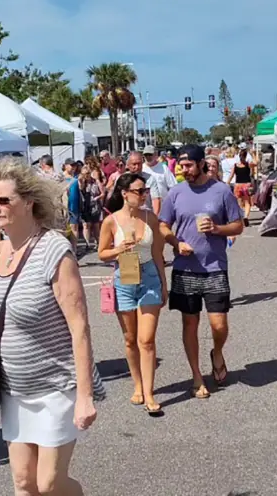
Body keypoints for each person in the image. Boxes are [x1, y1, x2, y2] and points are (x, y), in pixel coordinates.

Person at [0, 158, 104, 496]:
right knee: (23, 482)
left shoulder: (54, 250)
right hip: (13, 387)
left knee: (49, 484)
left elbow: (80, 327)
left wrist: (85, 396)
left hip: (55, 386)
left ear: (29, 202)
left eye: (4, 200)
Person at [158, 145, 244, 399]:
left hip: (215, 266)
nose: (184, 171)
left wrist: (217, 229)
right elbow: (163, 225)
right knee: (190, 322)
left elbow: (238, 225)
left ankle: (217, 353)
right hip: (185, 269)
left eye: (188, 166)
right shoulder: (175, 193)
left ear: (201, 164)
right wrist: (175, 242)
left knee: (219, 324)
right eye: (181, 167)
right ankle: (197, 376)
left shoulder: (221, 191)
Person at [98, 173, 167, 416]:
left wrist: (163, 282)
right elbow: (101, 253)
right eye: (139, 191)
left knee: (146, 339)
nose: (143, 195)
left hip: (148, 276)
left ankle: (149, 393)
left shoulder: (151, 217)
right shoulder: (111, 222)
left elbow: (158, 253)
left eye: (145, 190)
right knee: (130, 339)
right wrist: (118, 249)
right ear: (124, 193)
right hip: (124, 275)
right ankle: (137, 384)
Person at [142, 145, 178, 215]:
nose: (148, 157)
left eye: (150, 154)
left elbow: (173, 187)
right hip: (146, 210)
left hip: (163, 208)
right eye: (146, 155)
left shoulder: (164, 168)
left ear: (155, 155)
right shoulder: (141, 168)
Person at [228, 146, 258, 227]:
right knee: (247, 202)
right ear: (245, 156)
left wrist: (227, 183)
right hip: (247, 185)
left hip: (238, 185)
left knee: (239, 203)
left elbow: (231, 176)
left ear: (239, 156)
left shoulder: (235, 165)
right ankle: (245, 217)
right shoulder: (248, 164)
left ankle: (241, 217)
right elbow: (256, 163)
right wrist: (254, 154)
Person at [80, 168, 104, 249]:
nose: (85, 176)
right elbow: (80, 190)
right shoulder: (83, 183)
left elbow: (103, 193)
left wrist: (97, 198)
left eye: (87, 173)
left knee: (95, 226)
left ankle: (99, 243)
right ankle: (87, 244)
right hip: (85, 206)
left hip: (95, 207)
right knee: (86, 225)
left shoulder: (96, 182)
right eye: (83, 174)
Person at [63, 159, 81, 250]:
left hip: (75, 207)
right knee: (65, 229)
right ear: (66, 166)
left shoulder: (76, 178)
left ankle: (74, 249)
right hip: (64, 207)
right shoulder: (61, 178)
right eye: (71, 165)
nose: (73, 167)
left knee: (74, 228)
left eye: (74, 165)